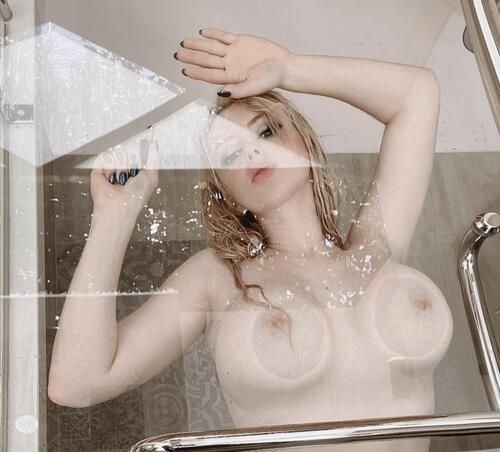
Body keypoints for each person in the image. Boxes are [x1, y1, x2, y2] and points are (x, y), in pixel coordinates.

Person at [48, 27, 453, 451]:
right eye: (229, 153)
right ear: (227, 195)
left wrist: (289, 68)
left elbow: (417, 94)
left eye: (265, 132)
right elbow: (77, 383)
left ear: (304, 141)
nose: (251, 152)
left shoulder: (373, 247)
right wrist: (114, 215)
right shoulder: (219, 277)